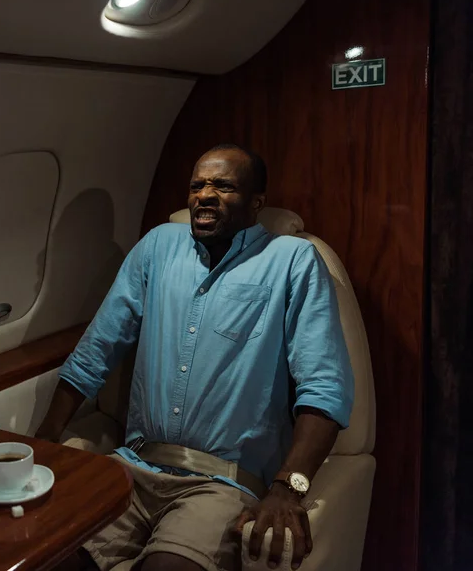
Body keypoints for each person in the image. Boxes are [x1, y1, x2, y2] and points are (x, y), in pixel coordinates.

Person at [36, 144, 354, 571]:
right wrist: (44, 440)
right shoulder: (157, 247)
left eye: (223, 186)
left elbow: (324, 385)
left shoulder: (293, 261)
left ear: (257, 202)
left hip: (222, 484)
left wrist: (288, 489)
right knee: (50, 557)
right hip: (131, 466)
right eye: (197, 185)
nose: (205, 194)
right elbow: (100, 347)